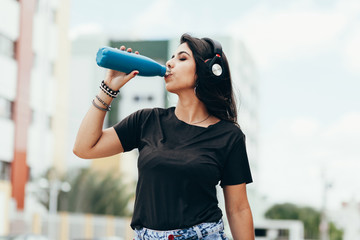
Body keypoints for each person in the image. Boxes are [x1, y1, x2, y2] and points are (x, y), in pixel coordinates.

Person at [73, 33, 254, 240]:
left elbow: (238, 209)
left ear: (208, 70)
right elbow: (84, 148)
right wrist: (109, 87)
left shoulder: (228, 136)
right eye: (172, 57)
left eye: (182, 58)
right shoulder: (146, 120)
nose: (170, 63)